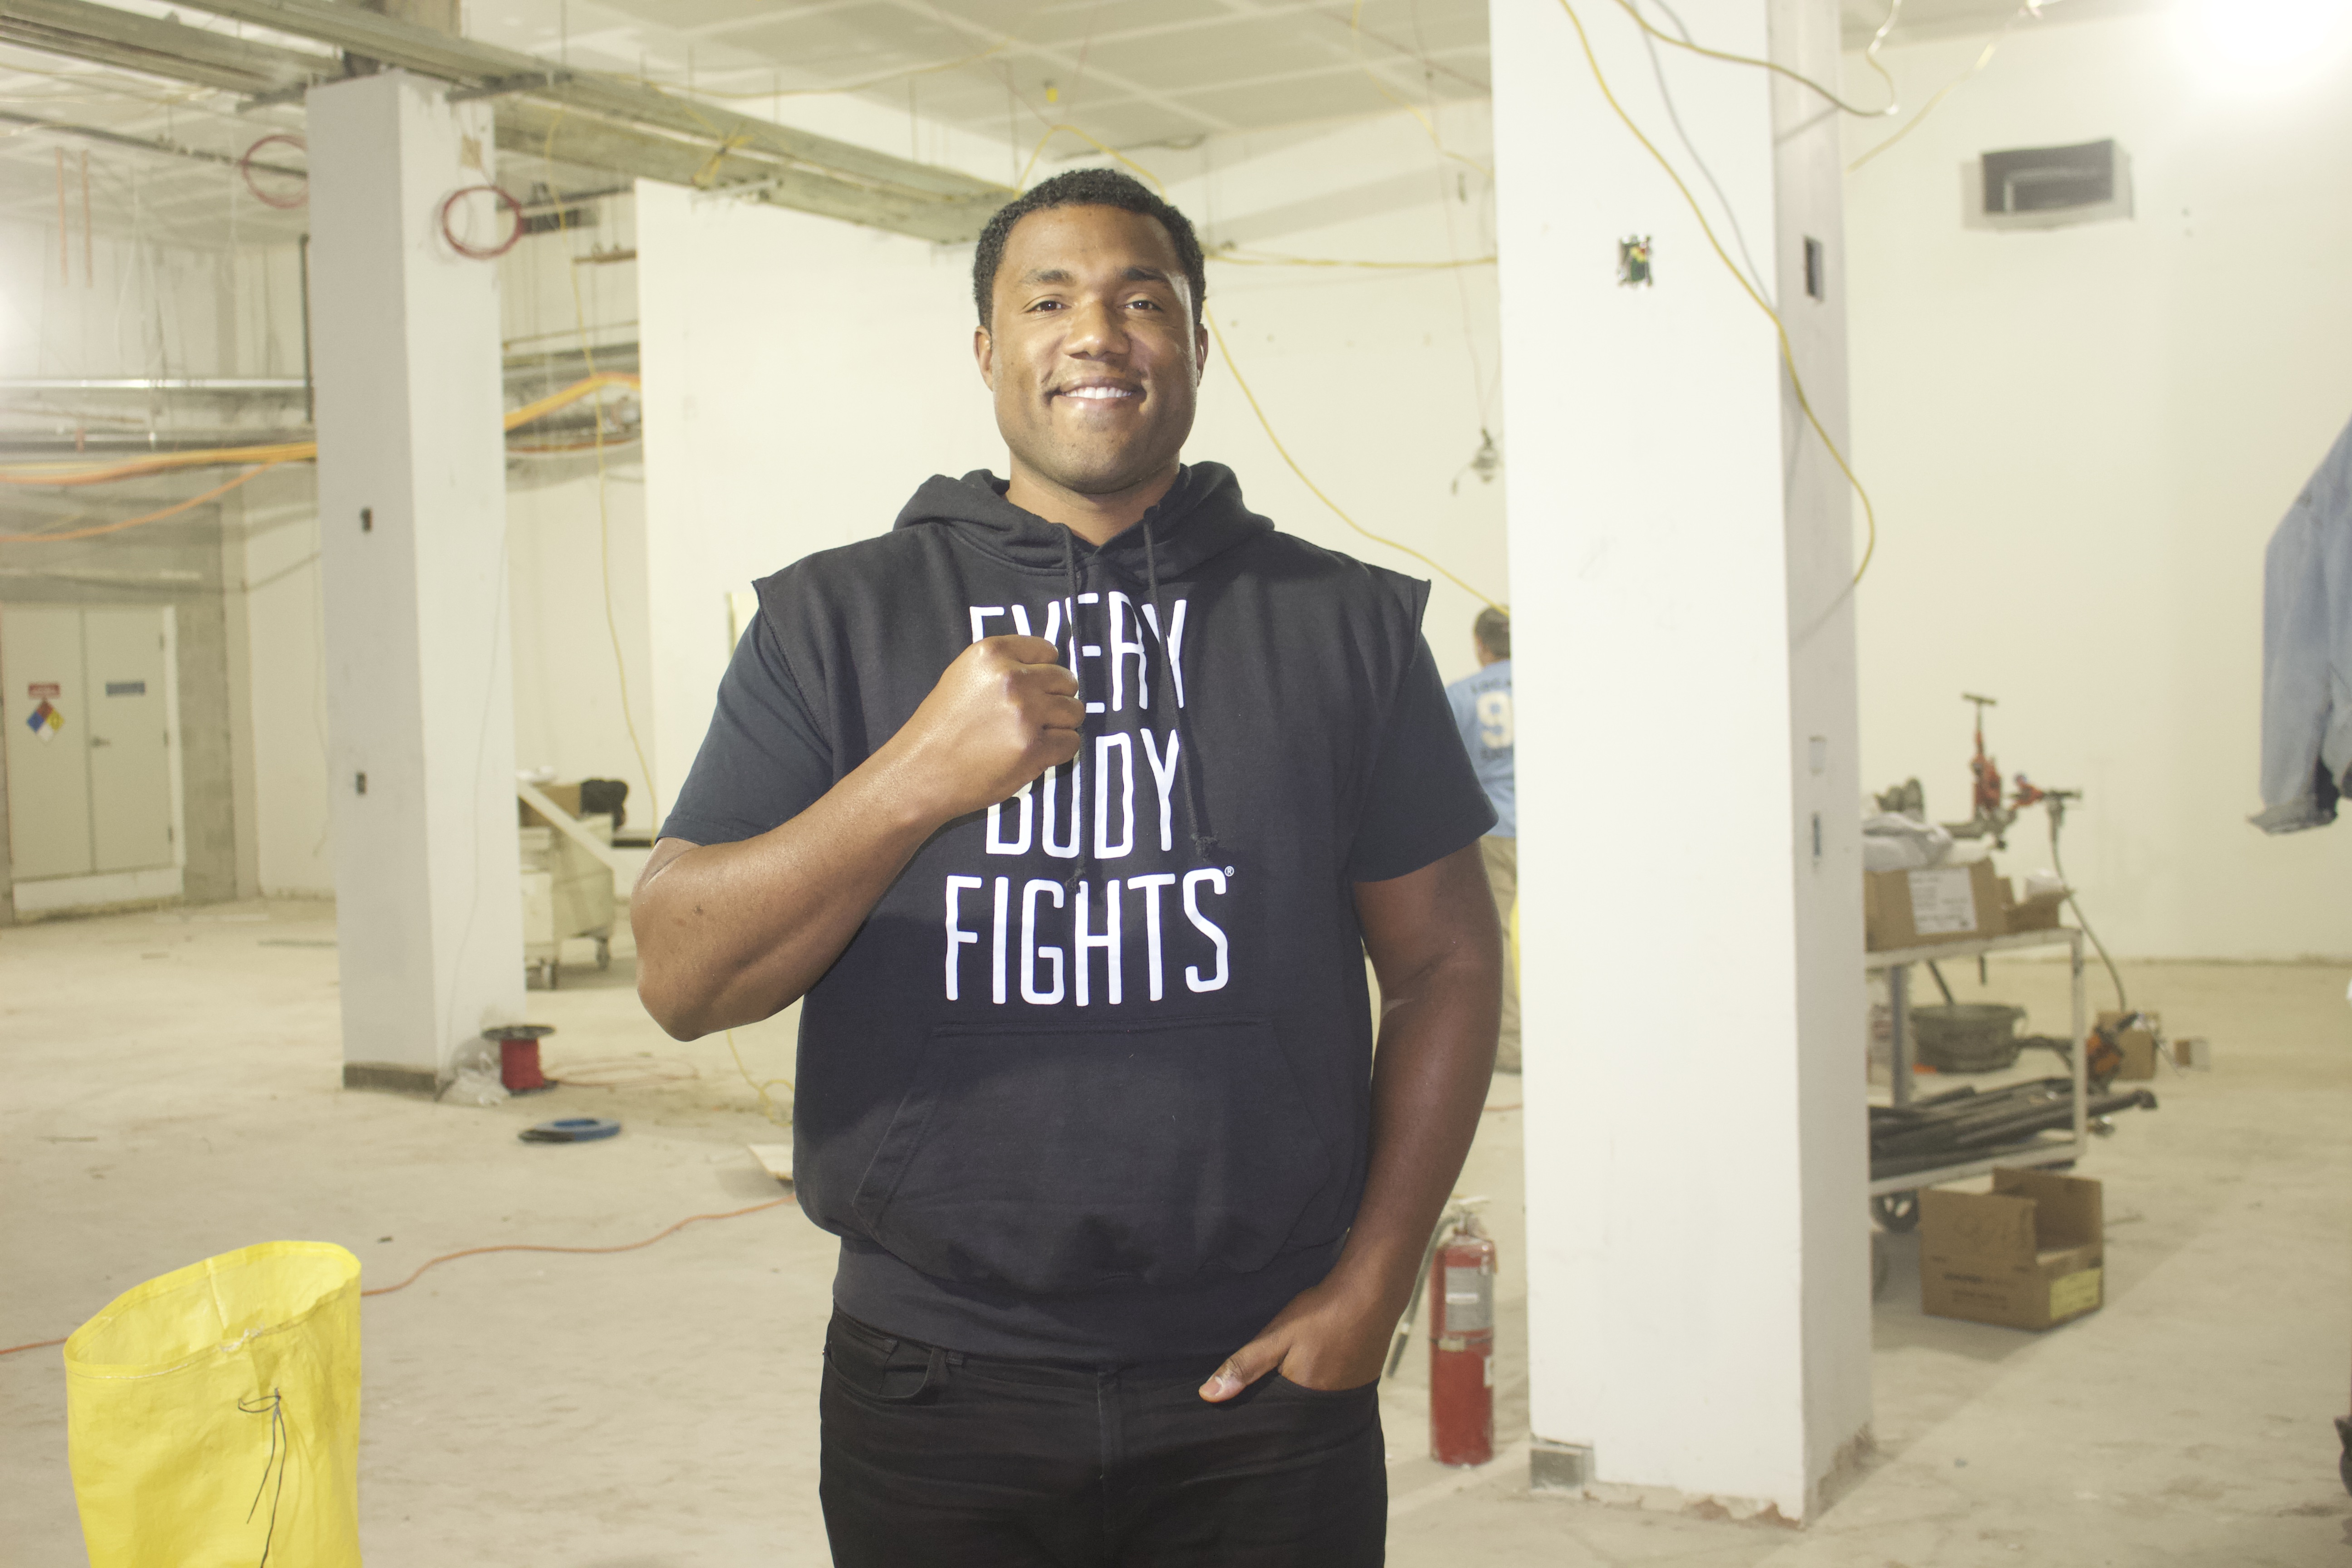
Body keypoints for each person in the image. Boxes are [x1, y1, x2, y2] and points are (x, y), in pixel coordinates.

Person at [631, 167, 1501, 1567]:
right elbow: (681, 973)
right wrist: (917, 775)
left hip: (1265, 1380)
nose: (1096, 330)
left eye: (1141, 299)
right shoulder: (832, 621)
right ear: (987, 352)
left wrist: (1375, 1286)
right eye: (1048, 299)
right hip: (934, 1384)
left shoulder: (1341, 627)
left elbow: (1449, 964)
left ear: (1198, 349)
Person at [1446, 608, 1518, 1073]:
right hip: (1559, 831)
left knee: (1501, 936)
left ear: (1480, 645)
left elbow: (1451, 774)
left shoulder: (1459, 697)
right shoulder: (1555, 682)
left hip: (1495, 831)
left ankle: (1512, 1044)